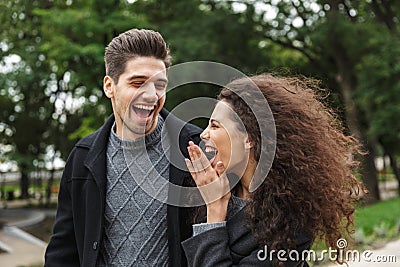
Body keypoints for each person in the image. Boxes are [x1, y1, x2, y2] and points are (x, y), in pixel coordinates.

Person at [44, 29, 201, 267]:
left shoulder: (193, 147)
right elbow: (63, 251)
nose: (151, 95)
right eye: (138, 82)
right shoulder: (82, 157)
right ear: (109, 86)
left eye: (160, 85)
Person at [182, 73, 365, 266]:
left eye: (215, 126)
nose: (203, 134)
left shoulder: (291, 218)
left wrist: (214, 214)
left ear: (249, 138)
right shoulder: (214, 189)